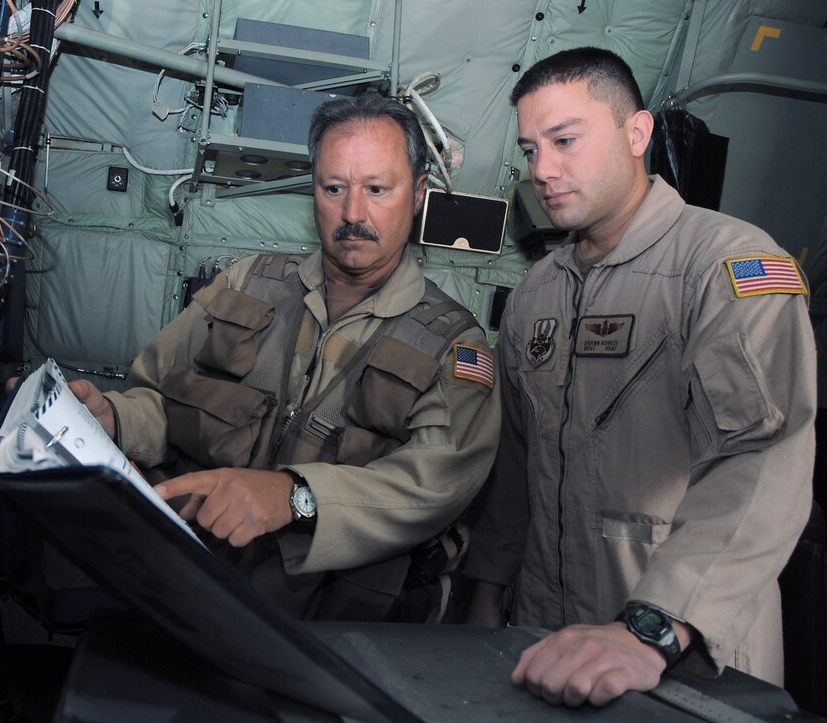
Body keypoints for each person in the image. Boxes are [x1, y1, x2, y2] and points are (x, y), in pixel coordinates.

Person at [461, 47, 815, 707]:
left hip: (687, 647)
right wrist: (485, 588)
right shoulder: (537, 291)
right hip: (551, 636)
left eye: (565, 140)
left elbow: (762, 461)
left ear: (637, 133)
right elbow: (517, 462)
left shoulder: (728, 264)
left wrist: (654, 625)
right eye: (532, 149)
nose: (544, 168)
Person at [70, 93, 500, 622]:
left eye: (377, 189)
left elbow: (433, 487)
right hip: (194, 587)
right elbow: (164, 400)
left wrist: (295, 496)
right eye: (333, 188)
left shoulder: (450, 346)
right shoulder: (249, 283)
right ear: (312, 190)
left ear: (418, 195)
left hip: (337, 628)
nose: (353, 213)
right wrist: (113, 418)